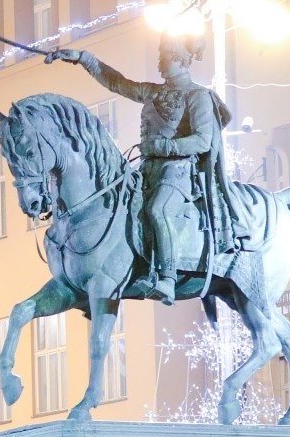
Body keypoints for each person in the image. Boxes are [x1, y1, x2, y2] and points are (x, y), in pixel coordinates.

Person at [47, 33, 248, 304]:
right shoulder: (153, 92)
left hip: (179, 173)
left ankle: (166, 278)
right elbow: (117, 83)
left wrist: (162, 147)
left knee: (158, 210)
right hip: (148, 171)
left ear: (178, 58)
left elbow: (202, 141)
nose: (159, 61)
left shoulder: (198, 97)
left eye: (163, 55)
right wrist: (84, 59)